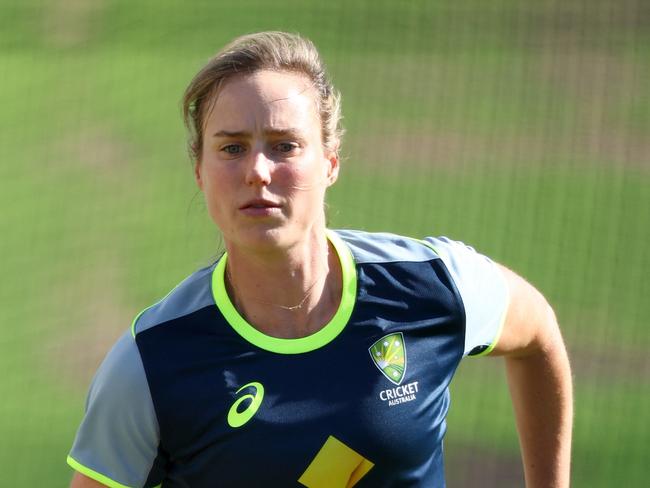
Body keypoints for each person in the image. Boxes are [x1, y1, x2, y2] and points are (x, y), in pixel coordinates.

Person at [67, 31, 572, 488]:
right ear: (199, 170)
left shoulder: (429, 285)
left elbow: (537, 333)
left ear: (330, 161)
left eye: (284, 146)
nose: (258, 171)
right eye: (232, 148)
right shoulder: (152, 362)